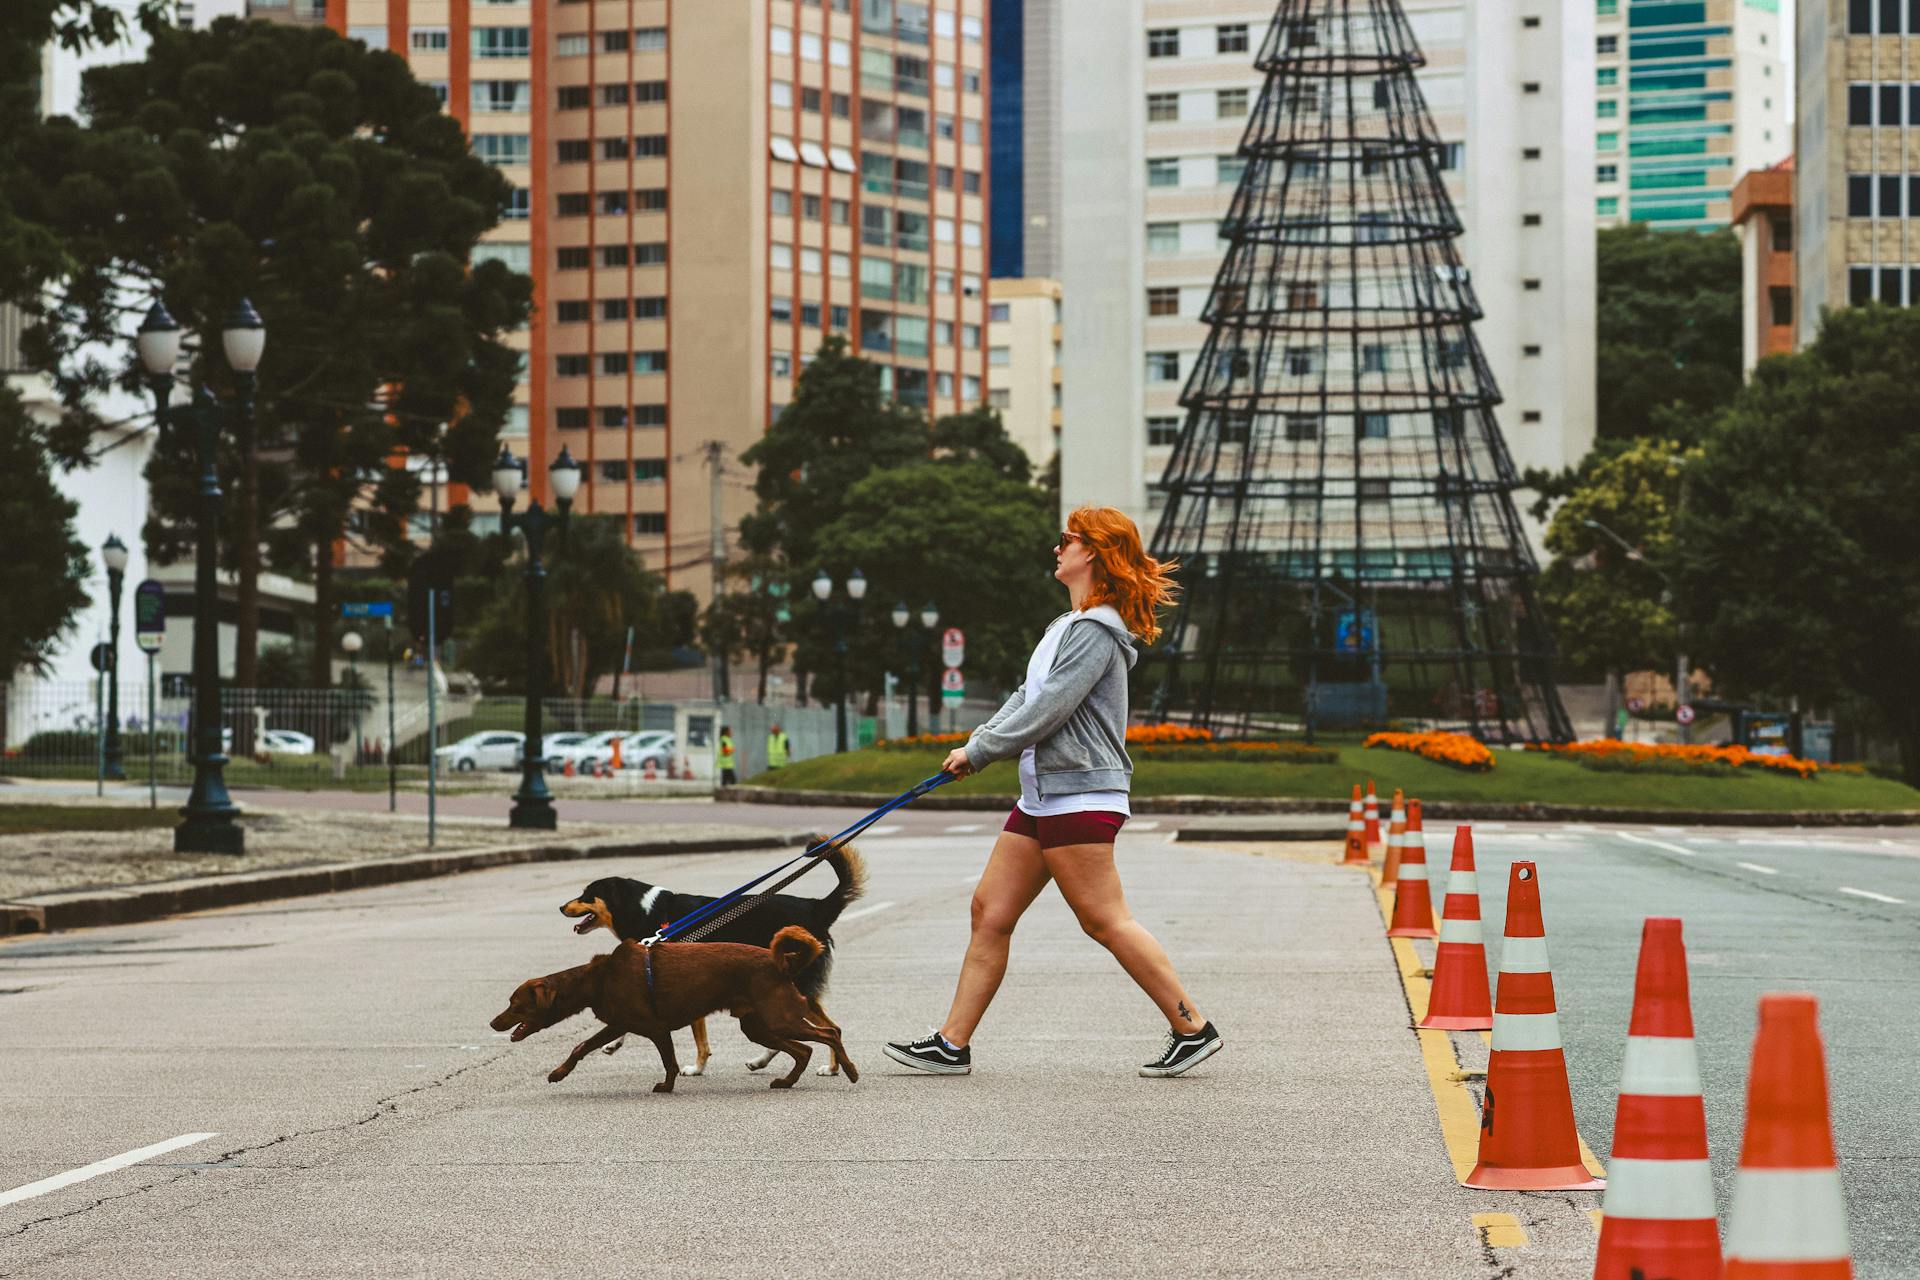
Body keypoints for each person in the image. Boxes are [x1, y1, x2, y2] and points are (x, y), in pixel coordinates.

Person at [885, 506, 1222, 1079]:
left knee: (1104, 920)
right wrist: (978, 744)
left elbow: (1050, 708)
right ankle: (952, 1043)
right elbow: (1026, 694)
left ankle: (1192, 1027)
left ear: (1091, 552)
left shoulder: (1096, 630)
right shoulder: (1065, 626)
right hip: (1044, 796)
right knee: (990, 911)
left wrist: (984, 751)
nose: (1057, 548)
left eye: (1066, 540)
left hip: (1081, 794)